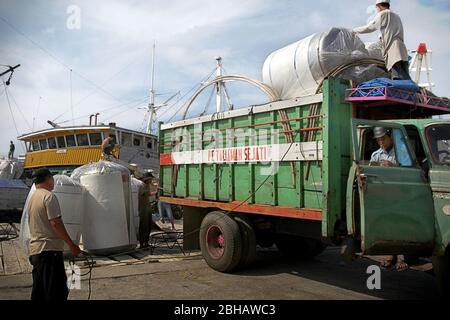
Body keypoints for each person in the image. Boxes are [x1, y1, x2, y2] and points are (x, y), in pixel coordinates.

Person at [28, 168, 81, 301]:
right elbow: (56, 223)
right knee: (56, 292)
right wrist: (72, 245)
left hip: (36, 251)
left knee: (39, 293)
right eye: (51, 178)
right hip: (49, 251)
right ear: (48, 178)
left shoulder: (33, 198)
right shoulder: (49, 196)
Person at [353, 0, 411, 80]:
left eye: (376, 7)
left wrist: (353, 30)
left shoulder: (384, 14)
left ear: (379, 6)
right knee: (405, 77)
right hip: (402, 50)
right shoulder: (396, 16)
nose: (377, 10)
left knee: (397, 76)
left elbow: (369, 27)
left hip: (393, 50)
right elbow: (391, 30)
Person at [138, 172, 154, 248]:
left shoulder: (147, 185)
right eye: (150, 179)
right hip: (143, 209)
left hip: (147, 208)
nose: (151, 180)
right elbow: (145, 194)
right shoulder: (142, 185)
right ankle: (142, 243)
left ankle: (146, 242)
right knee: (143, 226)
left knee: (148, 226)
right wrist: (155, 192)